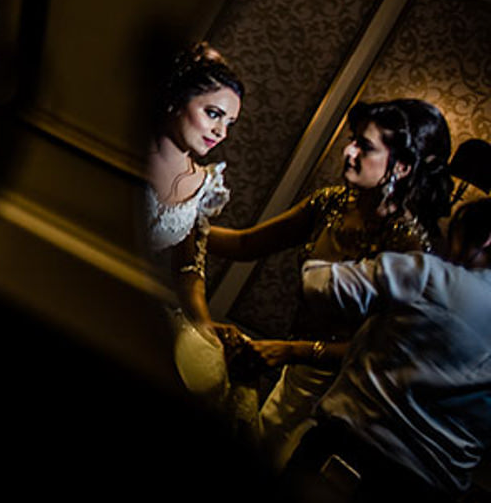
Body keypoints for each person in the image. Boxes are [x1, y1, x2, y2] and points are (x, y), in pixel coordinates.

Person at [210, 98, 451, 466]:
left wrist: (292, 351)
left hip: (347, 401)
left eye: (364, 146)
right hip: (296, 378)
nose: (349, 151)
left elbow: (384, 351)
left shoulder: (413, 250)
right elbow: (247, 243)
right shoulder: (333, 202)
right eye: (353, 139)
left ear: (401, 167)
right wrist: (182, 222)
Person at [285, 197, 491, 503]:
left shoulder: (431, 275)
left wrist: (356, 249)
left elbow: (317, 284)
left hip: (350, 468)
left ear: (482, 239)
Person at [140, 44, 254, 418]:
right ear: (176, 100)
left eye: (229, 123)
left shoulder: (207, 186)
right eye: (213, 114)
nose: (221, 132)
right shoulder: (127, 147)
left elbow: (189, 269)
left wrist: (203, 326)